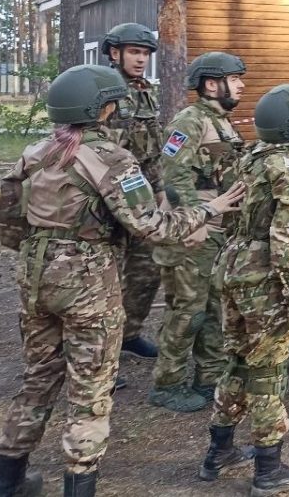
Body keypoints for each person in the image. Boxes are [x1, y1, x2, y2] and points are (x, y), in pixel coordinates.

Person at [0, 65, 245, 497]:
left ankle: (7, 482)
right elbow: (150, 225)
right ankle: (80, 486)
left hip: (34, 278)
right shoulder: (110, 158)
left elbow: (8, 227)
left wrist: (49, 253)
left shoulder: (33, 153)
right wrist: (209, 209)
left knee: (38, 379)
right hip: (89, 283)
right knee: (90, 390)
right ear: (102, 108)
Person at [200, 84, 289, 494]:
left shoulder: (252, 159)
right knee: (267, 372)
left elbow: (233, 218)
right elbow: (288, 238)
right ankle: (269, 470)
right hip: (264, 281)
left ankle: (219, 452)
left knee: (236, 362)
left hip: (234, 272)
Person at [149, 51, 248, 413]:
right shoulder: (188, 121)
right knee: (187, 310)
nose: (241, 85)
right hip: (192, 232)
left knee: (213, 305)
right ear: (211, 84)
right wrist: (196, 221)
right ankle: (167, 382)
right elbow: (173, 176)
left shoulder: (219, 121)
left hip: (216, 229)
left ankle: (209, 375)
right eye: (234, 78)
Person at [99, 22, 164, 360]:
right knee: (104, 280)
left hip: (143, 195)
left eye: (145, 53)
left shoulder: (145, 90)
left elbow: (152, 147)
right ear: (115, 53)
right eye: (134, 52)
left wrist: (160, 189)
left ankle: (129, 332)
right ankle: (99, 353)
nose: (141, 59)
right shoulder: (102, 89)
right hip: (109, 197)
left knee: (146, 268)